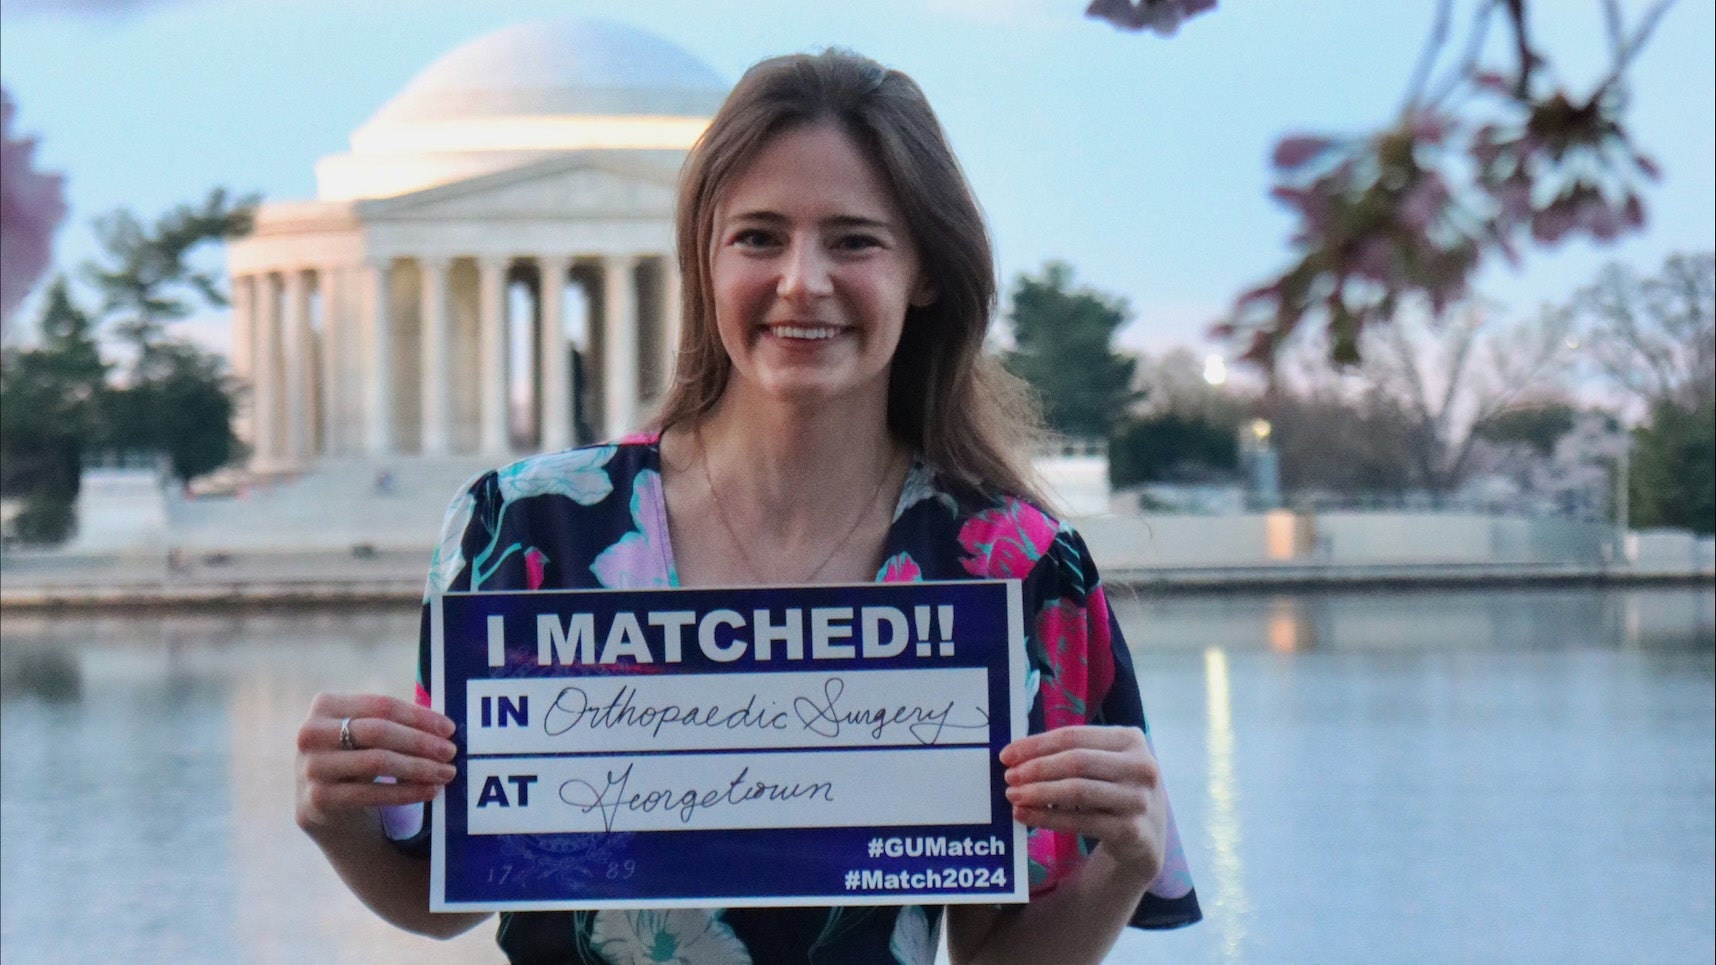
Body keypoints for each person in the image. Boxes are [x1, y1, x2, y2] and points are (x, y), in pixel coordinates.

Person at [295, 49, 1200, 963]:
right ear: (705, 258)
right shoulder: (529, 528)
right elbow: (448, 896)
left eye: (854, 239)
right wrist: (339, 818)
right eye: (760, 237)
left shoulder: (1013, 562)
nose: (802, 281)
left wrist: (1124, 861)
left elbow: (993, 951)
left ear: (925, 268)